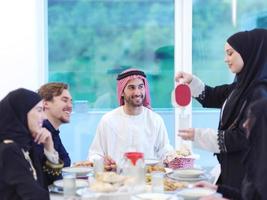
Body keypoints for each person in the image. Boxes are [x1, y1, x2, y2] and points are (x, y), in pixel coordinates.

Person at [175, 29, 267, 189]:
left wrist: (200, 135)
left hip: (246, 178)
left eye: (230, 53)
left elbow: (243, 138)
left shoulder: (260, 93)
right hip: (232, 171)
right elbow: (212, 96)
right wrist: (191, 81)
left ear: (247, 53)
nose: (226, 59)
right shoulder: (240, 86)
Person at [88, 68, 174, 170]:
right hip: (116, 180)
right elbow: (94, 155)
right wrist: (102, 161)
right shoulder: (108, 120)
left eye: (140, 87)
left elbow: (165, 151)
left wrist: (172, 158)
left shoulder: (155, 120)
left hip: (147, 180)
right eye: (131, 88)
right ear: (122, 92)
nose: (137, 92)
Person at [195, 99, 267, 200]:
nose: (244, 124)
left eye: (250, 119)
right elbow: (247, 197)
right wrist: (216, 188)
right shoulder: (258, 158)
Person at [0, 88, 60, 200]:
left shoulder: (26, 146)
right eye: (39, 110)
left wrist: (49, 148)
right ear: (22, 112)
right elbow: (34, 196)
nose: (44, 117)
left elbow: (54, 184)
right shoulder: (8, 149)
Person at [37, 82, 72, 185]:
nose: (70, 106)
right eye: (64, 100)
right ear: (45, 103)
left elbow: (66, 162)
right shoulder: (39, 134)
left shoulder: (53, 131)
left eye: (71, 102)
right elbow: (50, 178)